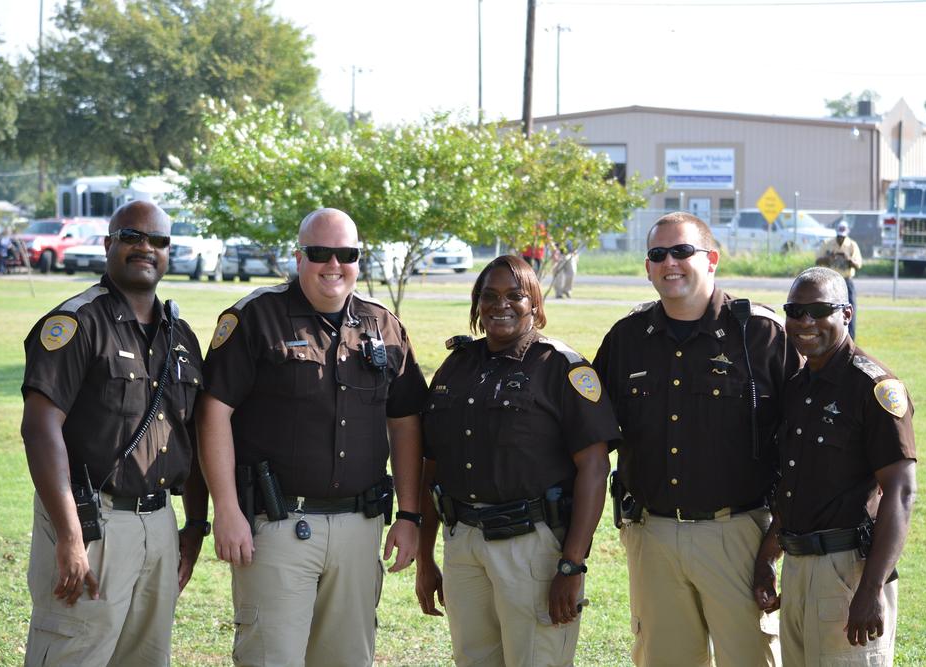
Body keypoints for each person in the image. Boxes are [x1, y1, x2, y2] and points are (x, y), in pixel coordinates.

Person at [198, 208, 428, 666]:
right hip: (276, 527)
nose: (333, 264)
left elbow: (405, 423)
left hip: (359, 529)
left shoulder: (383, 325)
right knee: (270, 658)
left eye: (346, 254)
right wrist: (225, 509)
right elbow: (213, 412)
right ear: (298, 255)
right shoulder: (255, 318)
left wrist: (410, 514)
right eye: (320, 253)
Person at [592, 211, 802, 667]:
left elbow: (803, 441)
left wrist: (777, 536)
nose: (670, 262)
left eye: (682, 251)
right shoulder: (627, 338)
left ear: (712, 259)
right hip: (652, 535)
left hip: (739, 535)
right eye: (658, 254)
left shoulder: (762, 335)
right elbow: (590, 435)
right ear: (647, 268)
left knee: (751, 658)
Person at [20, 200, 209, 666]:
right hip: (91, 524)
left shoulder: (180, 336)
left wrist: (195, 528)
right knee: (73, 651)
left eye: (158, 241)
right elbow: (40, 430)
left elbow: (195, 439)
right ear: (108, 245)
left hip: (160, 524)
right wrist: (68, 535)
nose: (146, 248)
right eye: (132, 236)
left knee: (146, 657)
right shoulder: (76, 323)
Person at [415, 255, 617, 667]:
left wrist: (572, 565)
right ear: (476, 304)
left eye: (514, 295)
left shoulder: (561, 367)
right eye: (488, 296)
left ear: (535, 305)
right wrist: (425, 559)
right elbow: (430, 466)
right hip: (463, 542)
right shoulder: (456, 366)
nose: (499, 305)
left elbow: (595, 470)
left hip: (531, 546)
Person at [752, 267, 917, 667]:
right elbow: (797, 483)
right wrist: (767, 556)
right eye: (796, 310)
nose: (806, 322)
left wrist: (870, 589)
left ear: (845, 313)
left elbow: (901, 491)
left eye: (820, 310)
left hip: (848, 572)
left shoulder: (874, 388)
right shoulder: (797, 386)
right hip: (797, 566)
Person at [816, 221, 862, 340]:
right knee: (829, 309)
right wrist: (829, 258)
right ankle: (829, 336)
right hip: (831, 281)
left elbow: (858, 265)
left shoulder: (852, 245)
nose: (840, 238)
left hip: (846, 281)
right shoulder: (827, 243)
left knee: (850, 309)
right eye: (839, 235)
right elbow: (818, 261)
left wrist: (848, 259)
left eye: (843, 236)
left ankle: (850, 339)